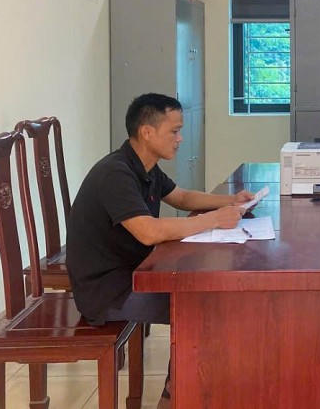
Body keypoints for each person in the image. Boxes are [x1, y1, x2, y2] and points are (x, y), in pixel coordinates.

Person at [67, 93, 253, 408]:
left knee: (210, 299)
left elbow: (181, 197)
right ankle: (175, 397)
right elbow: (149, 232)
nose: (180, 139)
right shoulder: (116, 174)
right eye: (174, 131)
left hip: (134, 274)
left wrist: (231, 201)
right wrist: (213, 220)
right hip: (108, 291)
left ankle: (194, 391)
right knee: (203, 308)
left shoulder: (145, 167)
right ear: (147, 132)